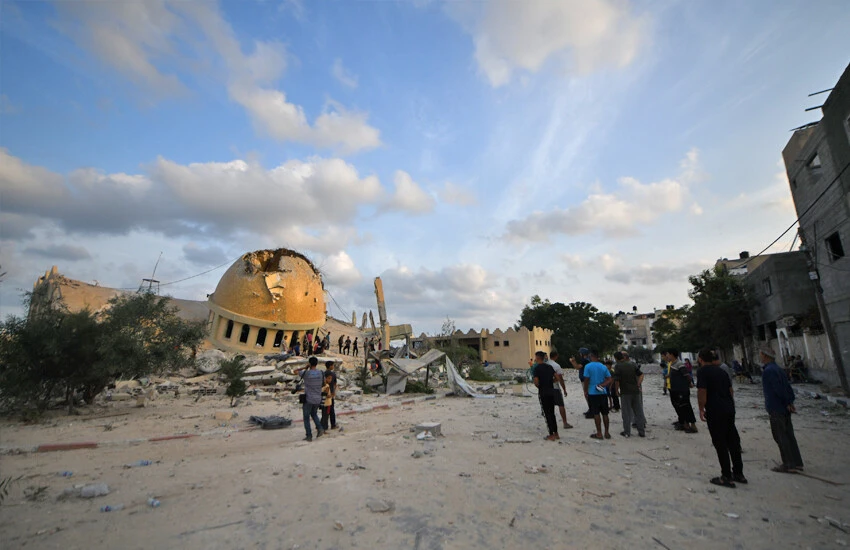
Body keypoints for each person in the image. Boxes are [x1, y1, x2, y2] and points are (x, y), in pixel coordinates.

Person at [697, 348, 746, 488]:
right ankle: (738, 473)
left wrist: (701, 408)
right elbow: (731, 390)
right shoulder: (722, 371)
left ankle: (726, 476)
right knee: (733, 442)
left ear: (700, 359)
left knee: (720, 443)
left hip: (715, 410)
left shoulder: (702, 372)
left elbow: (702, 391)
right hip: (729, 408)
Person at [761, 346, 804, 473]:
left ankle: (788, 463)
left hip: (776, 407)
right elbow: (787, 387)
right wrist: (790, 402)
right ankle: (797, 462)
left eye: (761, 354)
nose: (760, 357)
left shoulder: (769, 371)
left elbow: (778, 389)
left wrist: (787, 402)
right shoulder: (778, 369)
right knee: (789, 435)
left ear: (765, 356)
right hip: (784, 407)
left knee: (780, 436)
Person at [663, 349, 698, 433]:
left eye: (668, 354)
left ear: (672, 355)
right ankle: (685, 424)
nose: (667, 356)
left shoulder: (679, 364)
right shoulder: (672, 364)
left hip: (682, 390)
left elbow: (687, 375)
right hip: (675, 389)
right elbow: (673, 374)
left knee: (686, 407)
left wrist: (690, 383)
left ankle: (692, 426)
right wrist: (668, 376)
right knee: (680, 407)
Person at [613, 351, 646, 437]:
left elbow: (617, 380)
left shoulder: (618, 366)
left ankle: (627, 432)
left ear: (616, 358)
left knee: (626, 413)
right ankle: (641, 431)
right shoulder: (632, 364)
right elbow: (641, 374)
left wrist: (616, 391)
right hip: (635, 391)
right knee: (638, 411)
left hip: (625, 392)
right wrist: (638, 384)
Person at [583, 350, 613, 440]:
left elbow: (586, 379)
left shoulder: (588, 366)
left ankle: (599, 433)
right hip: (602, 392)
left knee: (596, 413)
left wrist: (585, 390)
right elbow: (609, 379)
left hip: (592, 392)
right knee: (605, 413)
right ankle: (607, 432)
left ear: (591, 356)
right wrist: (602, 385)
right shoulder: (603, 367)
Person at [531, 351, 559, 441]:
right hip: (551, 392)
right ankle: (556, 433)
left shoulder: (537, 368)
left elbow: (536, 381)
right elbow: (557, 377)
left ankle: (551, 434)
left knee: (547, 414)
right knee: (552, 413)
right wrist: (551, 382)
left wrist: (540, 386)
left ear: (538, 358)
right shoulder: (549, 367)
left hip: (543, 392)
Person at [297, 357, 324, 441]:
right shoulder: (321, 373)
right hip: (318, 398)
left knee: (306, 417)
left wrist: (305, 367)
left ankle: (309, 435)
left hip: (309, 398)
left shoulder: (306, 373)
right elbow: (324, 383)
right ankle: (320, 428)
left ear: (309, 363)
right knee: (314, 414)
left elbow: (295, 371)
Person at [547, 351, 573, 429]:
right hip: (555, 388)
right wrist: (564, 389)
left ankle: (550, 423)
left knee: (549, 407)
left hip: (547, 388)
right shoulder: (556, 366)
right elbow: (560, 379)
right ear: (556, 356)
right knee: (561, 405)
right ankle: (565, 423)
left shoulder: (545, 364)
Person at [570, 347, 592, 418]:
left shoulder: (585, 361)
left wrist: (572, 362)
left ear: (582, 354)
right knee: (588, 395)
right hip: (585, 379)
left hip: (585, 380)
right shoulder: (587, 360)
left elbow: (577, 367)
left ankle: (592, 411)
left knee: (587, 395)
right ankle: (591, 409)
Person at [321, 360, 338, 430]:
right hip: (330, 395)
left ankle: (322, 424)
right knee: (331, 411)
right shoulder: (333, 374)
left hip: (323, 394)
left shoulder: (323, 374)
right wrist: (333, 393)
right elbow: (335, 384)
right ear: (330, 366)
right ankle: (332, 425)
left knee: (325, 412)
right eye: (333, 365)